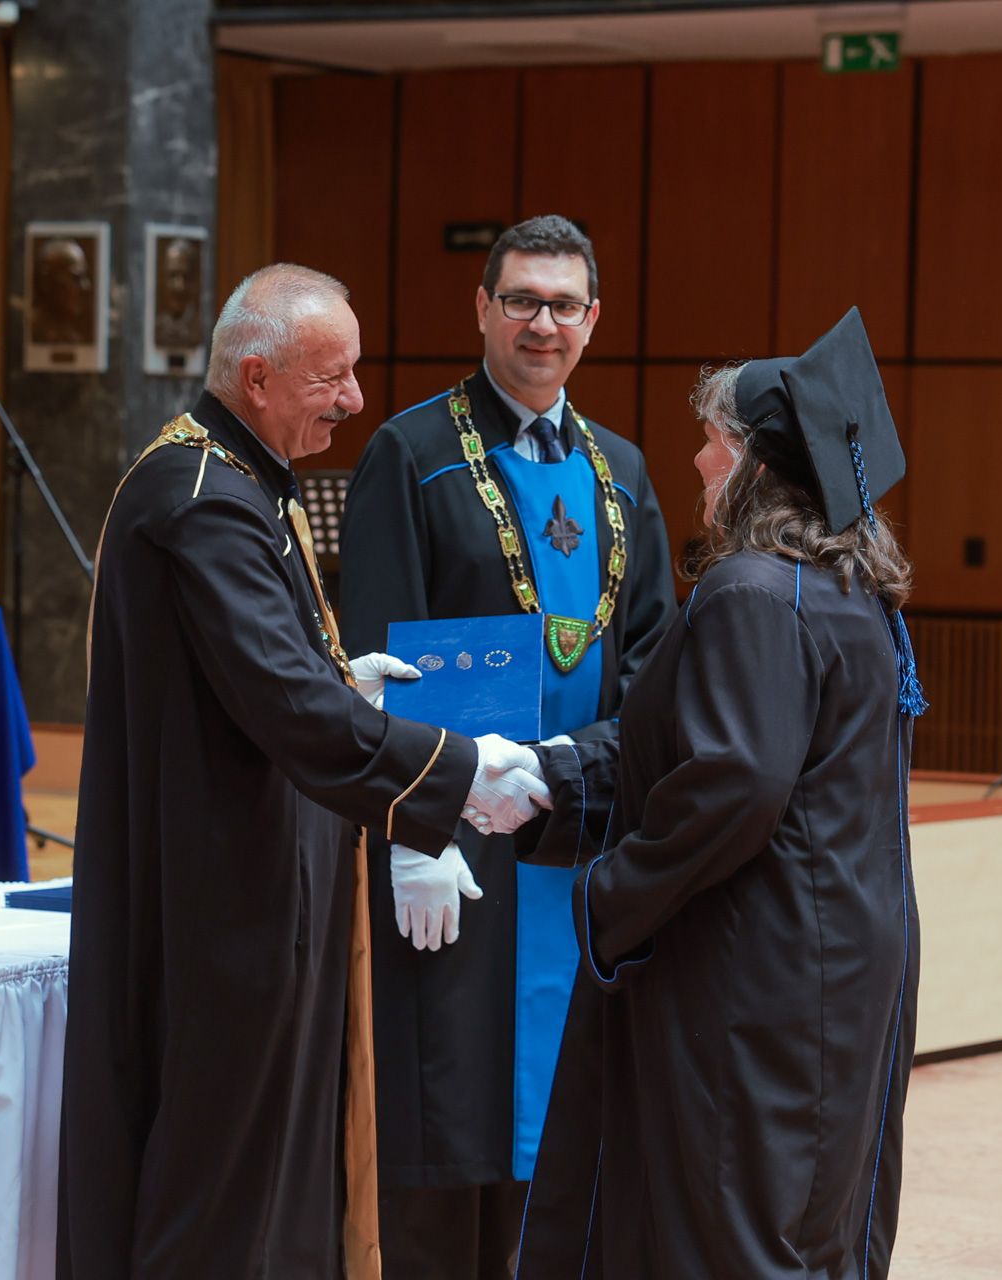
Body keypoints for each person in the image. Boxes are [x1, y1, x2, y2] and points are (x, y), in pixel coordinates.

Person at [60, 262, 549, 1280]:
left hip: (257, 888)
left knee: (276, 1179)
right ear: (257, 376)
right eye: (332, 377)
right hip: (224, 909)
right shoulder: (202, 500)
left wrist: (343, 681)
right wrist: (455, 770)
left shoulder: (239, 480)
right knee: (228, 1190)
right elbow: (282, 700)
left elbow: (261, 678)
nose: (354, 400)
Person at [514, 307, 926, 1278]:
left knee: (729, 1225)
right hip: (835, 953)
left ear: (756, 464)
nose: (698, 461)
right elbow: (712, 752)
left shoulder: (750, 589)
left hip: (754, 963)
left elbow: (734, 780)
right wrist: (551, 777)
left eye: (713, 441)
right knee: (805, 1220)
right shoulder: (844, 589)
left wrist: (611, 894)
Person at [338, 214, 676, 1277]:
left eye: (564, 305)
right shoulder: (412, 454)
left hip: (575, 839)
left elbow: (655, 667)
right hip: (455, 847)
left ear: (594, 320)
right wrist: (414, 827)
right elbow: (376, 656)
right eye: (522, 300)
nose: (543, 324)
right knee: (449, 1111)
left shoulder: (623, 471)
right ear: (482, 308)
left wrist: (587, 777)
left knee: (567, 1123)